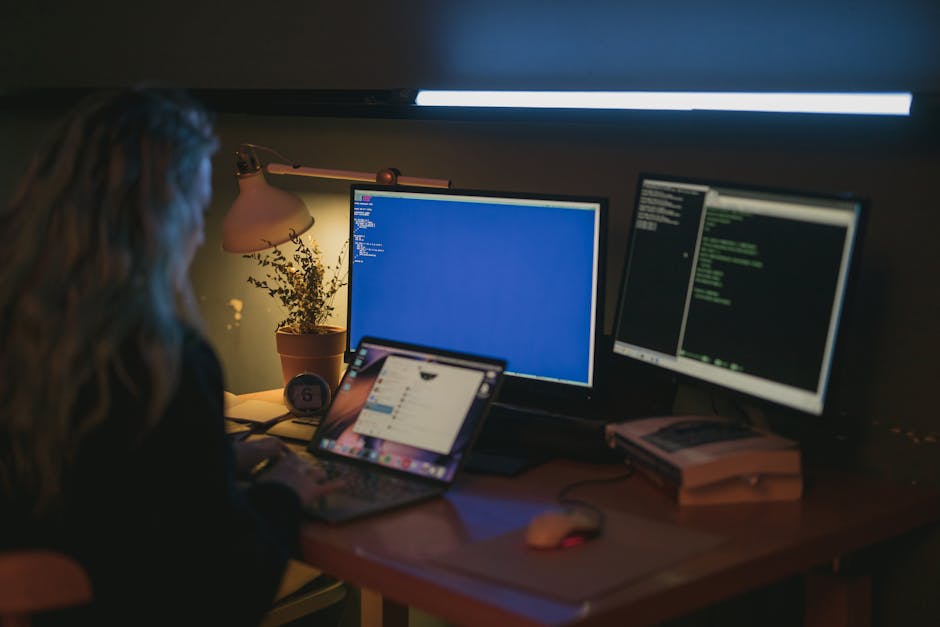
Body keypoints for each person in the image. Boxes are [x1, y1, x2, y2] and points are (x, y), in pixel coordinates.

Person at [0, 87, 340, 625]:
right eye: (199, 210)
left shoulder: (24, 331)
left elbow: (100, 483)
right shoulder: (163, 361)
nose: (201, 233)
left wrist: (213, 461)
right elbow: (228, 586)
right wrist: (284, 491)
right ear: (166, 217)